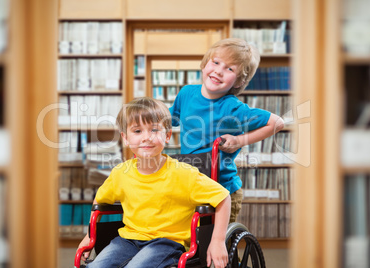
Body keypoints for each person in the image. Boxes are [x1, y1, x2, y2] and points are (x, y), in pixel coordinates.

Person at [77, 97, 231, 268]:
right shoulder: (121, 173)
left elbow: (223, 197)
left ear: (167, 135)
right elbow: (100, 200)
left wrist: (218, 241)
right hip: (128, 240)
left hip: (167, 242)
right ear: (125, 138)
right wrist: (89, 236)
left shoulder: (184, 174)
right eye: (137, 131)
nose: (146, 138)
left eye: (154, 130)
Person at [169, 38, 285, 223]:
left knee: (216, 243)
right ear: (205, 63)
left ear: (239, 81)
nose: (218, 71)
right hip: (192, 184)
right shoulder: (186, 94)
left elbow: (277, 123)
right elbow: (168, 120)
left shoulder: (233, 108)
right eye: (215, 62)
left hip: (221, 190)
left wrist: (239, 141)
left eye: (230, 69)